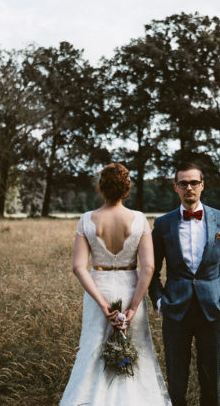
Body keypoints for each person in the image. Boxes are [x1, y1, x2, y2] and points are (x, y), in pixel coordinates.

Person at [60, 163, 171, 405]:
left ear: (101, 188)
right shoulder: (140, 220)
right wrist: (133, 306)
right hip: (131, 287)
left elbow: (78, 267)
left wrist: (102, 304)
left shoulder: (86, 220)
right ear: (126, 189)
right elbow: (149, 268)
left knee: (93, 349)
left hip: (98, 288)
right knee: (135, 349)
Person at [148, 163, 220, 406]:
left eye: (193, 183)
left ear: (202, 185)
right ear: (175, 187)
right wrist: (159, 302)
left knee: (210, 379)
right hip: (175, 309)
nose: (189, 187)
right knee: (176, 380)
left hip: (213, 309)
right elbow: (152, 270)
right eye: (183, 183)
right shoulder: (163, 224)